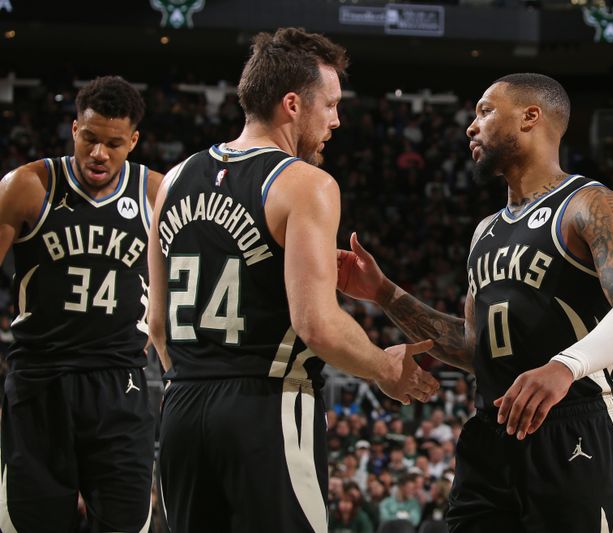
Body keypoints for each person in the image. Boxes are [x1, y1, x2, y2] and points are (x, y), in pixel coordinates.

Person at [337, 72, 613, 532]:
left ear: (531, 116)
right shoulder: (484, 230)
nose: (472, 126)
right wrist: (384, 293)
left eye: (485, 111)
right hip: (491, 434)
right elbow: (475, 349)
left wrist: (564, 366)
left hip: (571, 427)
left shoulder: (590, 204)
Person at [147, 27, 438, 533]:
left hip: (181, 406)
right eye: (330, 105)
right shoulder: (305, 183)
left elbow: (155, 324)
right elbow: (317, 326)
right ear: (292, 104)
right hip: (267, 406)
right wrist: (383, 368)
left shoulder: (172, 180)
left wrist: (201, 375)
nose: (337, 120)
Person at [0, 75, 163, 532]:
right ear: (74, 129)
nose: (98, 154)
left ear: (133, 141)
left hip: (120, 383)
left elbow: (187, 281)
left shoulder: (156, 193)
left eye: (113, 143)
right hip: (40, 380)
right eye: (90, 139)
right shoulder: (28, 185)